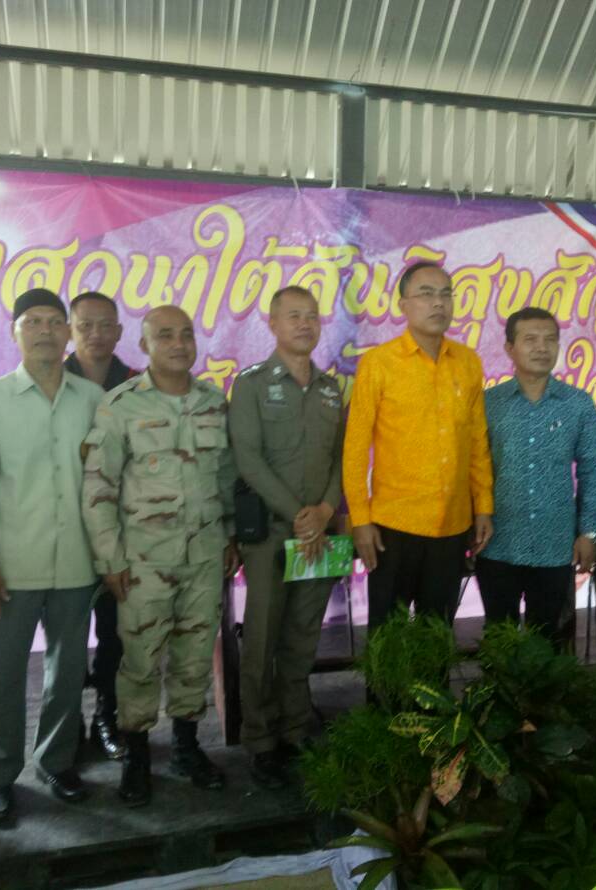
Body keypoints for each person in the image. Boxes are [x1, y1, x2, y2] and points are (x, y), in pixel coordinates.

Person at [0, 288, 103, 826]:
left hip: (78, 561)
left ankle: (57, 762)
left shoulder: (92, 399)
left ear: (68, 333)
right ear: (14, 333)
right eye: (32, 322)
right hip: (10, 564)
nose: (44, 331)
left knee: (68, 672)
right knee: (2, 675)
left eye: (54, 322)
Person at [82, 305, 239, 807]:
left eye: (186, 334)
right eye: (164, 335)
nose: (178, 343)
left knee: (195, 656)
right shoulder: (121, 405)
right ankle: (137, 755)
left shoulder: (213, 403)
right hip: (143, 563)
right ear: (144, 345)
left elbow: (227, 479)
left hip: (204, 557)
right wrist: (110, 559)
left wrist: (230, 536)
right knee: (140, 661)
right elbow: (98, 487)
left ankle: (187, 748)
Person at [229, 286, 344, 788]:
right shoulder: (251, 384)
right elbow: (248, 459)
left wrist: (324, 511)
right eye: (293, 316)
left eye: (311, 316)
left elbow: (342, 459)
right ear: (272, 324)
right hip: (271, 537)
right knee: (261, 640)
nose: (304, 324)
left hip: (319, 536)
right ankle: (260, 739)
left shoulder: (331, 389)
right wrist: (300, 514)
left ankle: (296, 728)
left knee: (302, 636)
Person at [343, 262, 493, 632]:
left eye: (445, 294)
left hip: (452, 525)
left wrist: (483, 507)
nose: (438, 303)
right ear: (403, 305)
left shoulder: (468, 363)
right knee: (387, 639)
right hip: (393, 526)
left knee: (437, 634)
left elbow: (477, 442)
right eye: (426, 294)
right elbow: (356, 447)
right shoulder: (378, 363)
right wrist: (360, 519)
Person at [476, 307, 596, 643]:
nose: (541, 347)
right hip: (497, 543)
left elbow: (593, 469)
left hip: (555, 544)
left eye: (550, 340)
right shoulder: (488, 403)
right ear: (509, 348)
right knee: (499, 639)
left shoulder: (578, 404)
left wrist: (589, 533)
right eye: (530, 339)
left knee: (549, 641)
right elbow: (474, 468)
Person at [64, 290, 138, 762]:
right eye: (85, 325)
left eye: (105, 325)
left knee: (116, 637)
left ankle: (107, 719)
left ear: (119, 331)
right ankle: (66, 723)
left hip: (120, 534)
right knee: (67, 640)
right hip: (64, 533)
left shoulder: (136, 385)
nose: (96, 334)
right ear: (70, 330)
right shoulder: (52, 382)